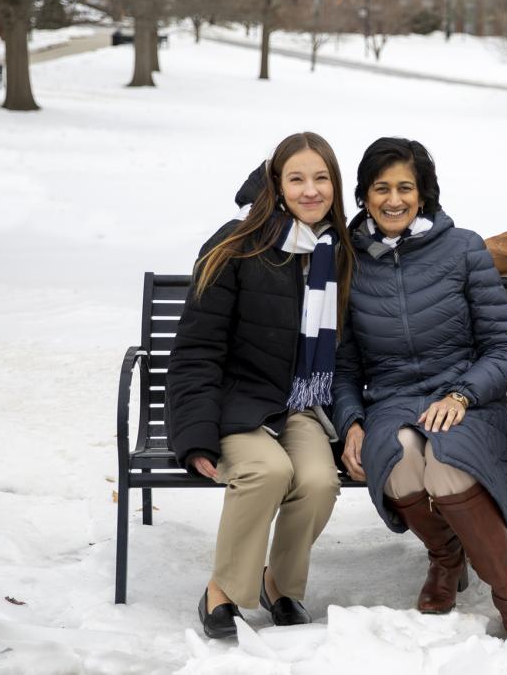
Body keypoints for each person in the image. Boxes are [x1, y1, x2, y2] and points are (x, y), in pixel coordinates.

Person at [333, 137, 507, 648]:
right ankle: (446, 558)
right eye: (380, 187)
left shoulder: (463, 248)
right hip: (390, 401)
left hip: (466, 399)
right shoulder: (346, 261)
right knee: (401, 454)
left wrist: (462, 395)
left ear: (423, 194)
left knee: (446, 463)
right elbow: (342, 367)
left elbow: (505, 347)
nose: (393, 199)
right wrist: (351, 423)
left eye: (405, 187)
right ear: (364, 195)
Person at [167, 132, 354, 639]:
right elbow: (196, 349)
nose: (310, 190)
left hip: (298, 407)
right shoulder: (236, 243)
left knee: (317, 482)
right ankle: (221, 592)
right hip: (236, 404)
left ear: (336, 186)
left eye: (321, 178)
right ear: (276, 183)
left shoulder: (338, 253)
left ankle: (280, 586)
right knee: (268, 472)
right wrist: (195, 435)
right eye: (297, 178)